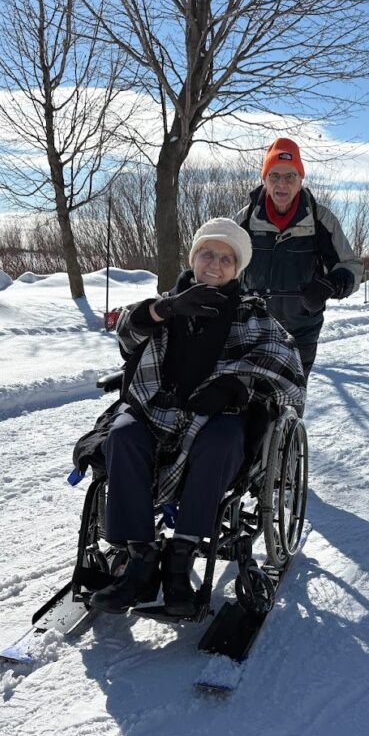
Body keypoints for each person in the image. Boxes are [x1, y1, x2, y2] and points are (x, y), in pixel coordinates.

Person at [81, 218, 305, 618]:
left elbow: (286, 368)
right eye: (207, 254)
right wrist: (163, 309)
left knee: (220, 441)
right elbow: (127, 339)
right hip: (156, 412)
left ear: (238, 268)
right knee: (123, 434)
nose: (214, 265)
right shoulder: (167, 304)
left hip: (217, 417)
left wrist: (237, 387)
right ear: (193, 257)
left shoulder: (251, 315)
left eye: (225, 259)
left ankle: (180, 564)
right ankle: (140, 561)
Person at [235, 137, 364, 378]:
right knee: (248, 401)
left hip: (301, 331)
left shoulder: (320, 220)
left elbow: (352, 267)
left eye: (290, 176)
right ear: (264, 179)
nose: (281, 184)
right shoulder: (245, 220)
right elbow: (224, 267)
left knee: (291, 399)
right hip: (252, 328)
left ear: (300, 179)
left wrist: (331, 285)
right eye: (274, 176)